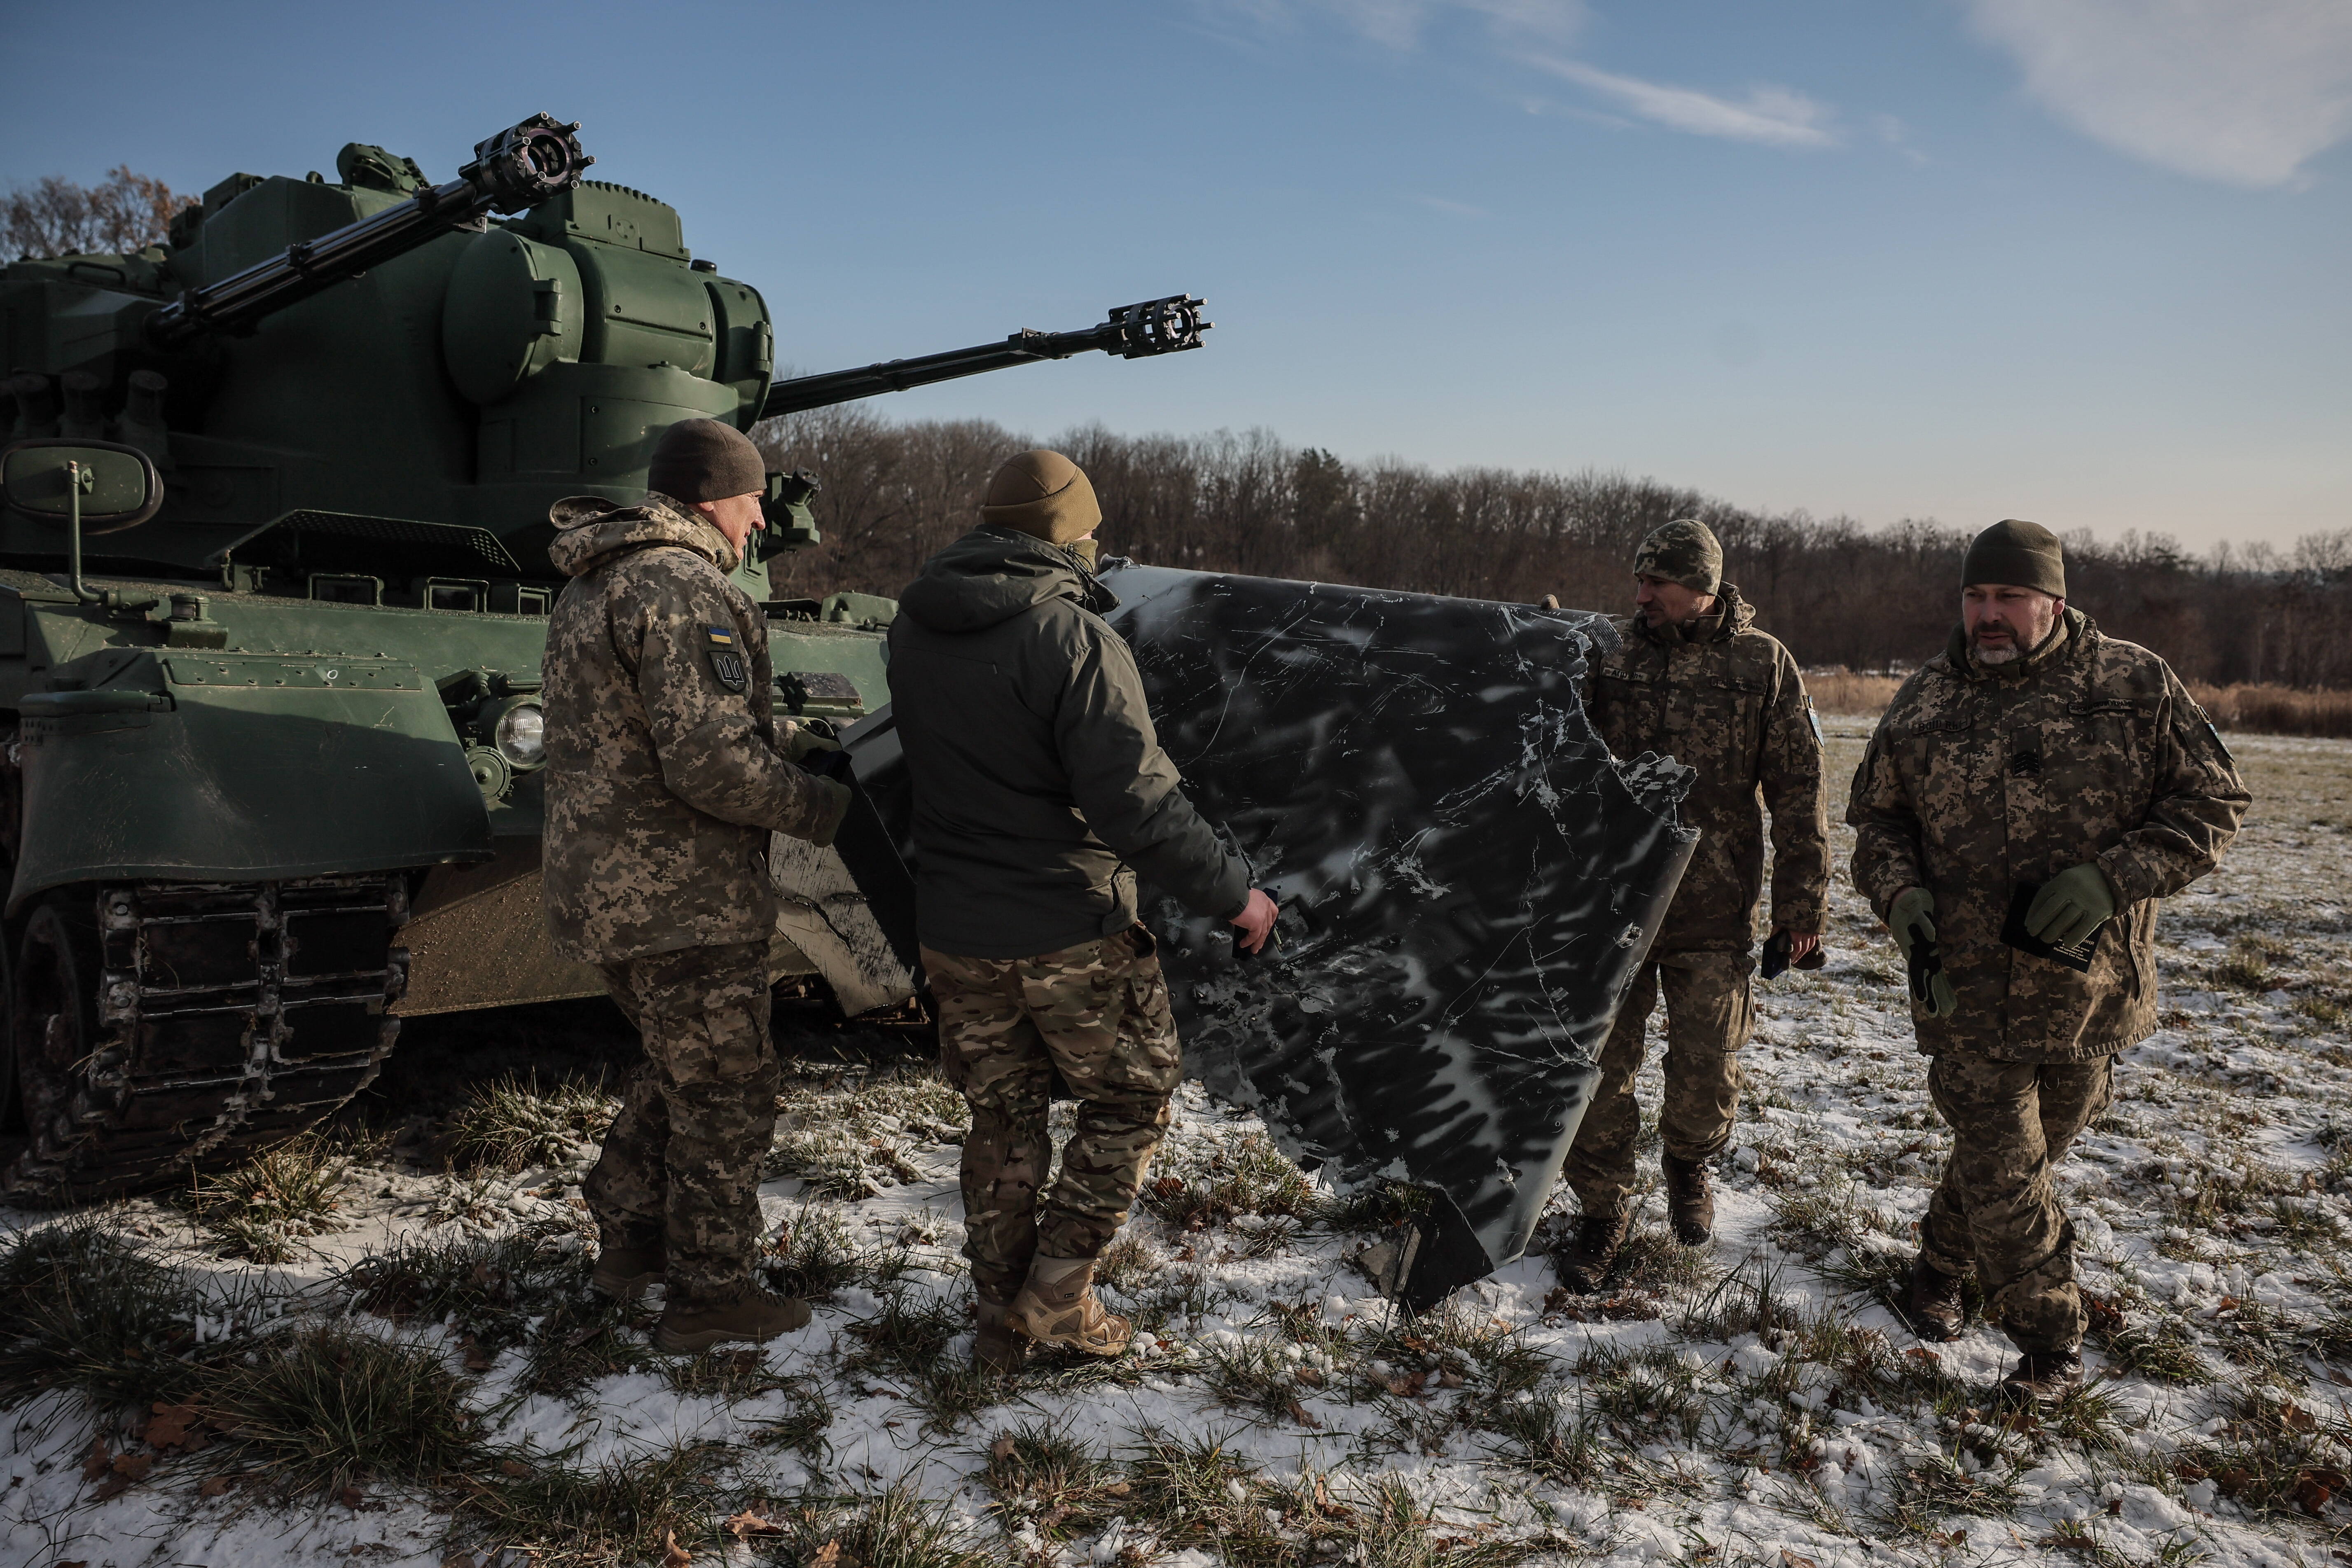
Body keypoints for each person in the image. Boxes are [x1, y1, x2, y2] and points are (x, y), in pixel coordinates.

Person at [887, 449, 1279, 1373]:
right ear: (1071, 533)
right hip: (1067, 924)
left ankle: (999, 1311)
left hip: (953, 924)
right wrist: (1236, 892)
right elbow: (1135, 803)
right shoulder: (1069, 636)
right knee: (1132, 1095)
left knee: (1002, 1113)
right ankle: (1056, 1298)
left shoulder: (911, 624)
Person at [1848, 519, 2248, 1402]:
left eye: (2007, 598)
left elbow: (2213, 801)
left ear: (2052, 601)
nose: (1987, 615)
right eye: (1974, 597)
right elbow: (1877, 825)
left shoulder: (2131, 683)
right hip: (1959, 987)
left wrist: (2114, 879)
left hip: (2086, 991)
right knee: (2004, 1162)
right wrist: (1897, 895)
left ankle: (1936, 1266)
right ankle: (2049, 1347)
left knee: (2020, 1159)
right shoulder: (1922, 701)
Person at [541, 417, 851, 1355]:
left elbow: (657, 728)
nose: (760, 521)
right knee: (726, 1090)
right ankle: (712, 1296)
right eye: (754, 499)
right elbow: (712, 764)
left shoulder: (594, 581)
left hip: (609, 888)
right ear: (715, 494)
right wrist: (826, 810)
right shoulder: (682, 587)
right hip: (683, 894)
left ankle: (629, 1233)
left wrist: (795, 747)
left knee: (680, 1065)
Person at [1556, 519, 1830, 1290]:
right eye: (1638, 581)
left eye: (1656, 583)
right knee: (1600, 1069)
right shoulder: (1605, 651)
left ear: (1700, 588)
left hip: (1714, 906)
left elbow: (1799, 793)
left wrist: (1800, 907)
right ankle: (1602, 1210)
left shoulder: (1762, 664)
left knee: (1707, 1062)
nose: (1640, 595)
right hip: (1613, 906)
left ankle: (1688, 1166)